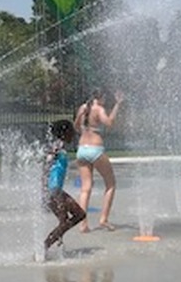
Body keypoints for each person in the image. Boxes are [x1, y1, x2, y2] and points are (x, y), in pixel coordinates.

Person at [74, 89, 123, 232]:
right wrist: (117, 105)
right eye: (105, 98)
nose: (105, 101)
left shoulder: (83, 108)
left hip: (81, 149)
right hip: (95, 149)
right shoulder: (99, 109)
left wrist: (83, 123)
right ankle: (104, 219)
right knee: (111, 184)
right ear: (101, 97)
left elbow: (76, 126)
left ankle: (83, 224)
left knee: (85, 188)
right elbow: (109, 123)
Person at [43, 120, 86, 251]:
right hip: (54, 191)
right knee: (79, 214)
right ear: (65, 133)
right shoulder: (56, 147)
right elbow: (46, 167)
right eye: (71, 132)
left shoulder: (59, 146)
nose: (73, 135)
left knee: (64, 221)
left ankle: (50, 244)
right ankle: (44, 247)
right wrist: (44, 191)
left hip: (54, 190)